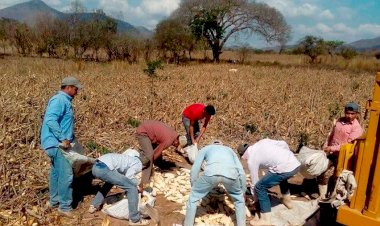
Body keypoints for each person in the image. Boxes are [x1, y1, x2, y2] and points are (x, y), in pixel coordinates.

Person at [40, 76, 83, 217]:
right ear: (68, 87)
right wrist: (63, 138)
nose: (77, 92)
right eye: (76, 89)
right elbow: (50, 120)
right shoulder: (59, 100)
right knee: (66, 174)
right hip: (57, 144)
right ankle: (64, 207)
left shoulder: (64, 101)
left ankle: (54, 202)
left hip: (55, 143)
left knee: (56, 173)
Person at [238, 138, 300, 226]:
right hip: (294, 163)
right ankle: (287, 201)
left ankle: (265, 219)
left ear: (243, 155)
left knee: (260, 187)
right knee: (280, 176)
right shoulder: (262, 142)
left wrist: (257, 203)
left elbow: (254, 184)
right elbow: (283, 143)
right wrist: (287, 156)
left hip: (285, 168)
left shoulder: (251, 160)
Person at [184, 141, 246, 226]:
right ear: (222, 144)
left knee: (193, 198)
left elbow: (195, 168)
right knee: (239, 200)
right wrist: (242, 190)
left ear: (212, 144)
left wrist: (194, 186)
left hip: (211, 174)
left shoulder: (205, 148)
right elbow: (241, 171)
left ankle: (188, 224)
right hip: (231, 175)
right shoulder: (230, 150)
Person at [88, 149, 150, 225]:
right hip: (104, 168)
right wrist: (137, 185)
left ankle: (93, 206)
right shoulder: (138, 164)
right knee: (132, 188)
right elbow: (129, 177)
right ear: (144, 166)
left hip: (95, 167)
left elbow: (124, 175)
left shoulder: (129, 158)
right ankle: (134, 220)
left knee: (109, 183)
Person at [318, 102, 363, 199]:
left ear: (356, 114)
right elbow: (331, 135)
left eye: (352, 114)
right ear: (344, 112)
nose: (349, 116)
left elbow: (348, 145)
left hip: (344, 156)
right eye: (348, 113)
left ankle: (333, 197)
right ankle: (322, 196)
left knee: (337, 177)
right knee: (322, 172)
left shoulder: (356, 128)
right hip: (331, 153)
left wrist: (332, 148)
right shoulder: (339, 121)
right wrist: (326, 145)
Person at [135, 120, 186, 190]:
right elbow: (157, 152)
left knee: (155, 154)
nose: (176, 146)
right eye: (178, 144)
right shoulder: (169, 140)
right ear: (177, 141)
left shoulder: (174, 134)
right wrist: (151, 162)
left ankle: (160, 164)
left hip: (150, 131)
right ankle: (144, 182)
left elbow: (159, 146)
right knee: (149, 155)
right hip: (143, 133)